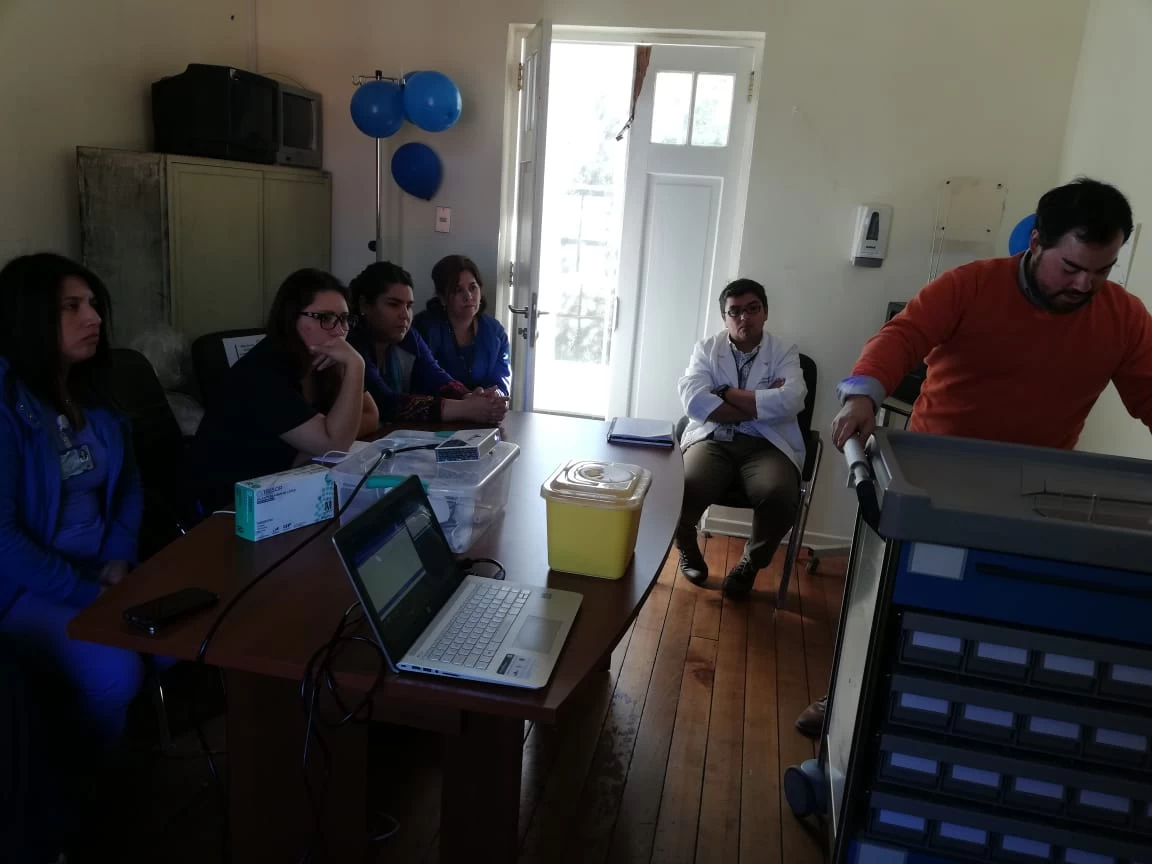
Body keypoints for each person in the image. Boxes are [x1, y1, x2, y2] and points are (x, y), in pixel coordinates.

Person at [795, 177, 1152, 737]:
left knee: (1003, 616)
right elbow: (903, 336)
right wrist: (863, 394)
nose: (1086, 284)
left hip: (1036, 495)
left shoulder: (1124, 317)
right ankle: (843, 700)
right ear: (1036, 241)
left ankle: (964, 720)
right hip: (933, 482)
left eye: (1102, 270)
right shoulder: (970, 285)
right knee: (891, 604)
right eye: (1072, 267)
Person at [0, 253, 149, 752]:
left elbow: (128, 484)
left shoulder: (92, 393)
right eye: (72, 306)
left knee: (189, 635)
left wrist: (117, 558)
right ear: (28, 318)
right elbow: (3, 540)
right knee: (117, 674)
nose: (94, 318)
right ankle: (83, 776)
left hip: (100, 568)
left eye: (92, 304)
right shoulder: (6, 406)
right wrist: (86, 593)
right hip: (24, 587)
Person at [190, 269, 377, 509]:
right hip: (234, 505)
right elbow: (334, 446)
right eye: (325, 318)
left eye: (344, 319)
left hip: (287, 484)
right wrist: (356, 366)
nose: (339, 331)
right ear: (291, 318)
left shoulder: (324, 361)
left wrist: (318, 441)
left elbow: (370, 416)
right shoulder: (262, 372)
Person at [676, 278, 807, 598]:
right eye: (734, 311)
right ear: (724, 318)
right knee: (681, 487)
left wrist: (723, 393)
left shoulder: (784, 351)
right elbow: (693, 400)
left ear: (765, 312)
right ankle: (688, 548)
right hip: (713, 439)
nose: (744, 317)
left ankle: (750, 563)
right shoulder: (707, 349)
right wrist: (761, 403)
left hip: (766, 443)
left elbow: (792, 400)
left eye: (752, 309)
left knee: (779, 495)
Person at [349, 261, 508, 424]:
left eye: (409, 306)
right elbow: (385, 402)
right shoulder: (351, 342)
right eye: (394, 305)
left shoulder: (409, 335)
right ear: (364, 305)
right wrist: (465, 408)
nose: (405, 315)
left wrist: (470, 397)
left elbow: (435, 375)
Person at [413, 255, 512, 395]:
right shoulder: (424, 328)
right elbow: (423, 381)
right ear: (442, 297)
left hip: (484, 406)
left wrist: (494, 396)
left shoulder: (495, 332)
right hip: (439, 406)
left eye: (473, 288)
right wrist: (467, 400)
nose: (468, 296)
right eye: (458, 290)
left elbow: (502, 382)